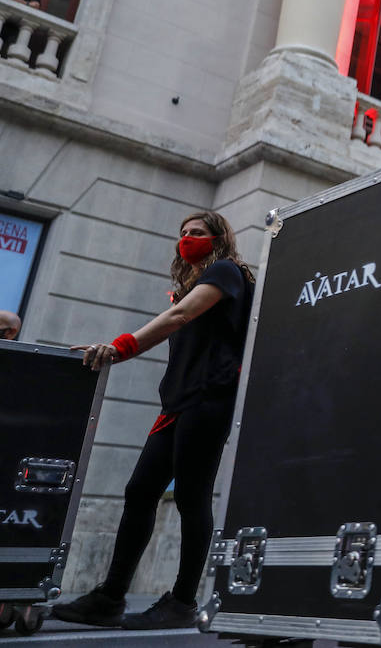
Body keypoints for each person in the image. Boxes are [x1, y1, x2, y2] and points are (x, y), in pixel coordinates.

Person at [52, 212, 254, 629]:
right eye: (182, 233)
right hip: (178, 403)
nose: (186, 239)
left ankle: (182, 602)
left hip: (208, 399)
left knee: (191, 498)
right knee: (140, 490)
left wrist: (119, 348)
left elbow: (179, 319)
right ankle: (110, 597)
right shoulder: (192, 284)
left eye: (196, 233)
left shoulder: (226, 272)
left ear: (218, 237)